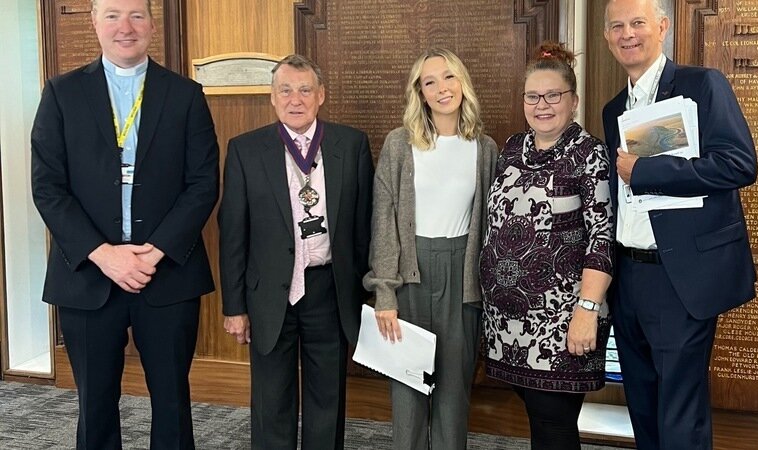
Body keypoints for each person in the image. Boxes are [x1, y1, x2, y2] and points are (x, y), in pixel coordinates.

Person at [29, 0, 219, 448]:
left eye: (136, 15)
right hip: (88, 275)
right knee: (94, 404)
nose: (125, 27)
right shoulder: (61, 93)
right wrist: (104, 255)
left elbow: (203, 183)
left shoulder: (186, 94)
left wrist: (155, 252)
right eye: (112, 15)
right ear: (95, 22)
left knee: (172, 403)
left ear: (152, 24)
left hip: (166, 272)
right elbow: (48, 187)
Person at [602, 1, 758, 449]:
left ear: (662, 27)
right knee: (642, 409)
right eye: (617, 26)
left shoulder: (701, 85)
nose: (628, 34)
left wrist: (646, 170)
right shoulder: (613, 109)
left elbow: (739, 164)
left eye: (638, 23)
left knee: (680, 419)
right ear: (607, 37)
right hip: (627, 277)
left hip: (680, 279)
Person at [218, 54, 373, 450]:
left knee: (327, 397)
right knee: (271, 399)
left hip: (329, 289)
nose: (295, 99)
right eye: (285, 90)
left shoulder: (351, 144)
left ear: (321, 95)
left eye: (305, 90)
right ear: (272, 97)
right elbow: (232, 234)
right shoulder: (245, 150)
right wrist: (234, 306)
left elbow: (363, 227)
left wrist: (364, 294)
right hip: (270, 294)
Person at [479, 41, 614, 450]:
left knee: (553, 424)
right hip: (506, 322)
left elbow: (602, 236)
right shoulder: (510, 148)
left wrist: (587, 311)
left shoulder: (589, 153)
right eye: (533, 96)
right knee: (539, 419)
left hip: (563, 319)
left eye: (553, 95)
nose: (542, 105)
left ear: (573, 101)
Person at [363, 48, 498, 450]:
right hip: (410, 275)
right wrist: (385, 292)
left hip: (462, 278)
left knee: (454, 393)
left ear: (463, 83)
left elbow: (490, 223)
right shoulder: (399, 144)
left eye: (449, 77)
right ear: (419, 93)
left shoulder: (484, 148)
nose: (442, 88)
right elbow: (384, 221)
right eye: (430, 82)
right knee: (408, 391)